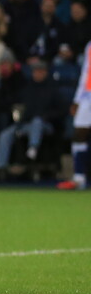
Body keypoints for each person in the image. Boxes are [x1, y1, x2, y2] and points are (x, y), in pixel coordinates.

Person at [59, 40, 91, 190]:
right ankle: (79, 177)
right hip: (87, 96)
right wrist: (77, 99)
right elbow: (86, 72)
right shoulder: (89, 46)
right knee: (79, 133)